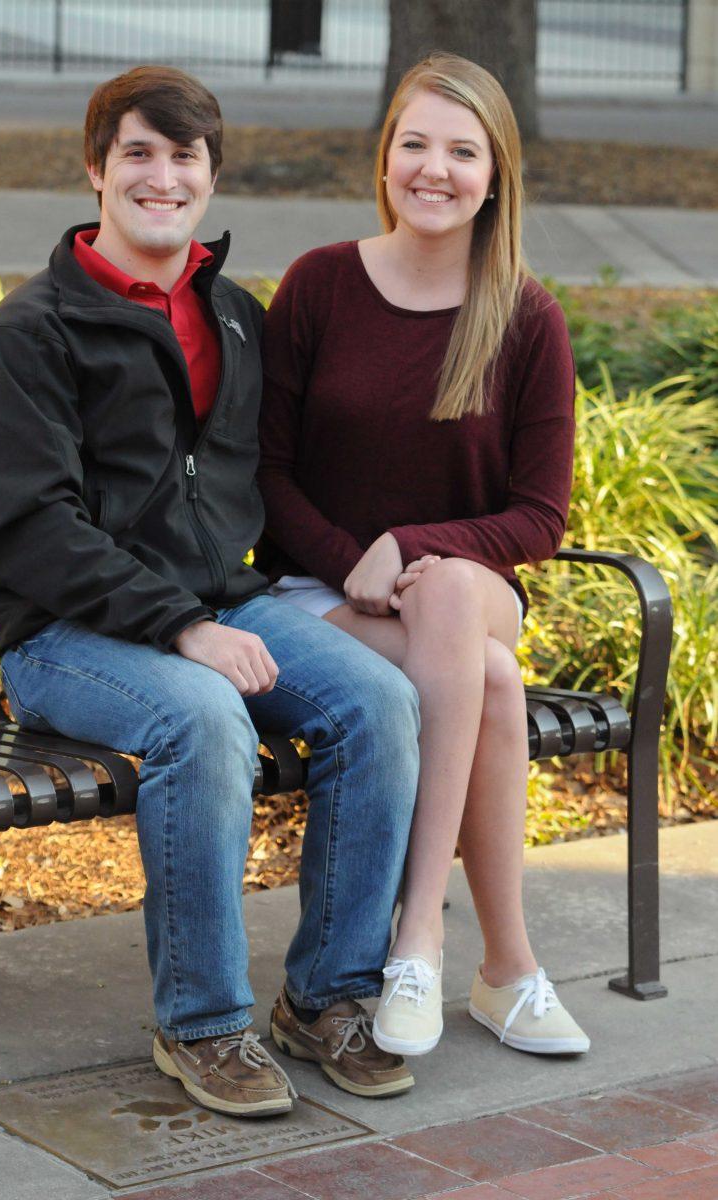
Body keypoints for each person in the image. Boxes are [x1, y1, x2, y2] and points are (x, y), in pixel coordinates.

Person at [0, 65, 423, 1118]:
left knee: (378, 702)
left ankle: (329, 997)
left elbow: (257, 477)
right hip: (65, 635)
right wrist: (179, 627)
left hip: (218, 605)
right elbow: (31, 533)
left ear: (210, 177)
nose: (162, 177)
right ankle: (202, 1024)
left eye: (184, 156)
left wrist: (363, 561)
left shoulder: (233, 316)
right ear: (96, 168)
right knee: (206, 721)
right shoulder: (29, 336)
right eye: (139, 154)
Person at [259, 52, 590, 1059]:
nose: (432, 169)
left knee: (451, 599)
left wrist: (409, 546)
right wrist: (351, 558)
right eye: (414, 144)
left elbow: (538, 517)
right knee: (486, 679)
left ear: (496, 173)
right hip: (324, 595)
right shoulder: (319, 286)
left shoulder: (524, 316)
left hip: (468, 588)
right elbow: (263, 476)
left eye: (461, 150)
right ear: (385, 157)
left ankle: (413, 934)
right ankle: (505, 969)